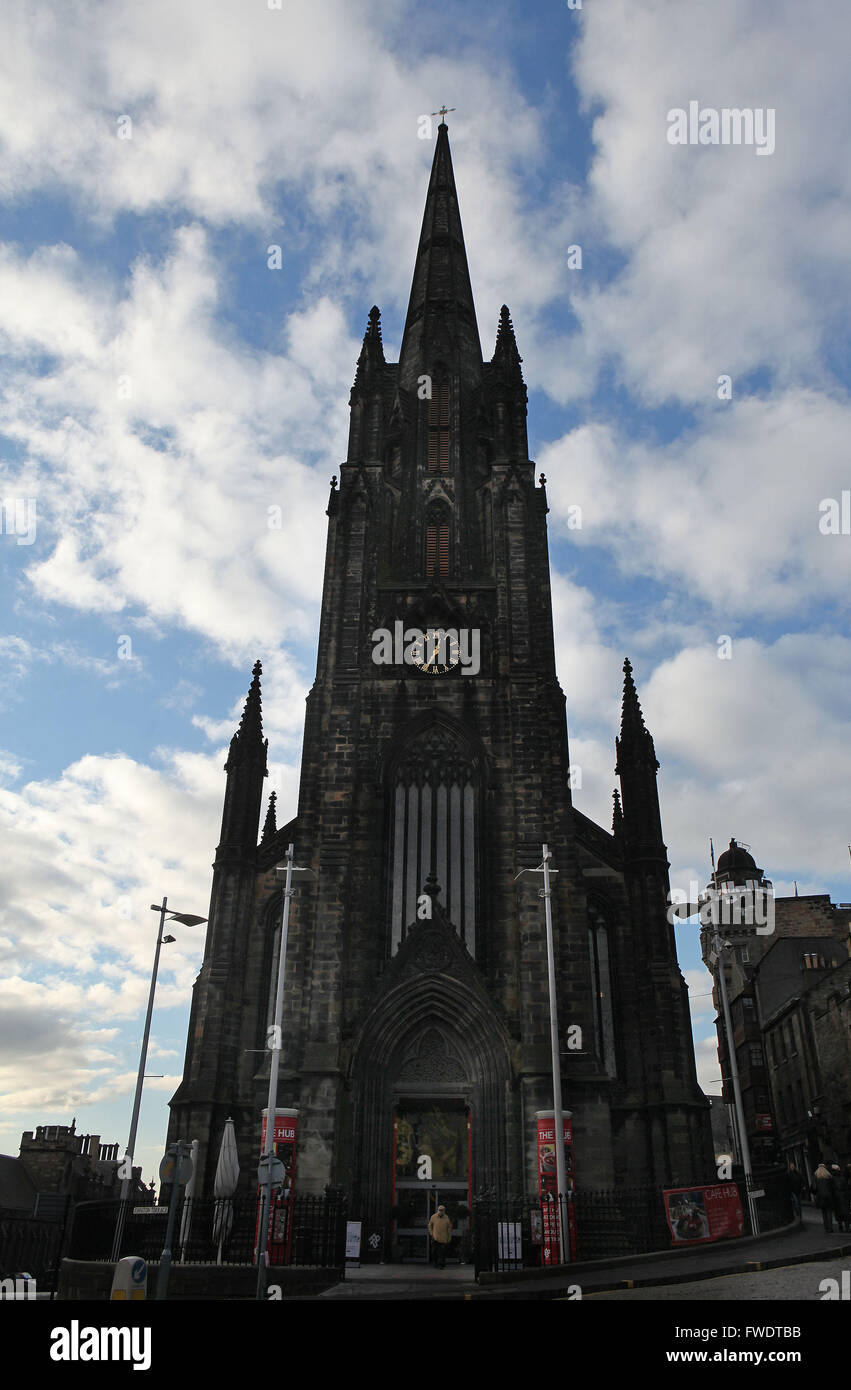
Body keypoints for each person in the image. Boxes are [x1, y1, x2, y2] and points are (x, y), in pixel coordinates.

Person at [428, 1203, 453, 1269]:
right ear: (437, 1210)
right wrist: (431, 1233)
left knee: (442, 1253)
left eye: (442, 1210)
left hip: (443, 1238)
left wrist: (449, 1237)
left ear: (444, 1211)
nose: (441, 1211)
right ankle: (435, 1263)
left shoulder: (446, 1218)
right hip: (435, 1237)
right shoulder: (433, 1217)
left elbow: (449, 1228)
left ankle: (441, 1265)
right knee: (434, 1252)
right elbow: (430, 1225)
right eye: (439, 1210)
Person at [813, 1162, 836, 1233]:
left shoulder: (816, 1176)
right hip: (828, 1196)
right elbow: (832, 1187)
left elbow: (814, 1188)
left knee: (824, 1213)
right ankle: (830, 1228)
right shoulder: (828, 1176)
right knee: (829, 1212)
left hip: (820, 1197)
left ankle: (826, 1227)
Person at [829, 1164, 850, 1233]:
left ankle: (841, 1226)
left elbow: (831, 1189)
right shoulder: (841, 1177)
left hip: (837, 1197)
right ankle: (847, 1227)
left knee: (839, 1212)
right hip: (843, 1196)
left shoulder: (831, 1178)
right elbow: (846, 1186)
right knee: (845, 1212)